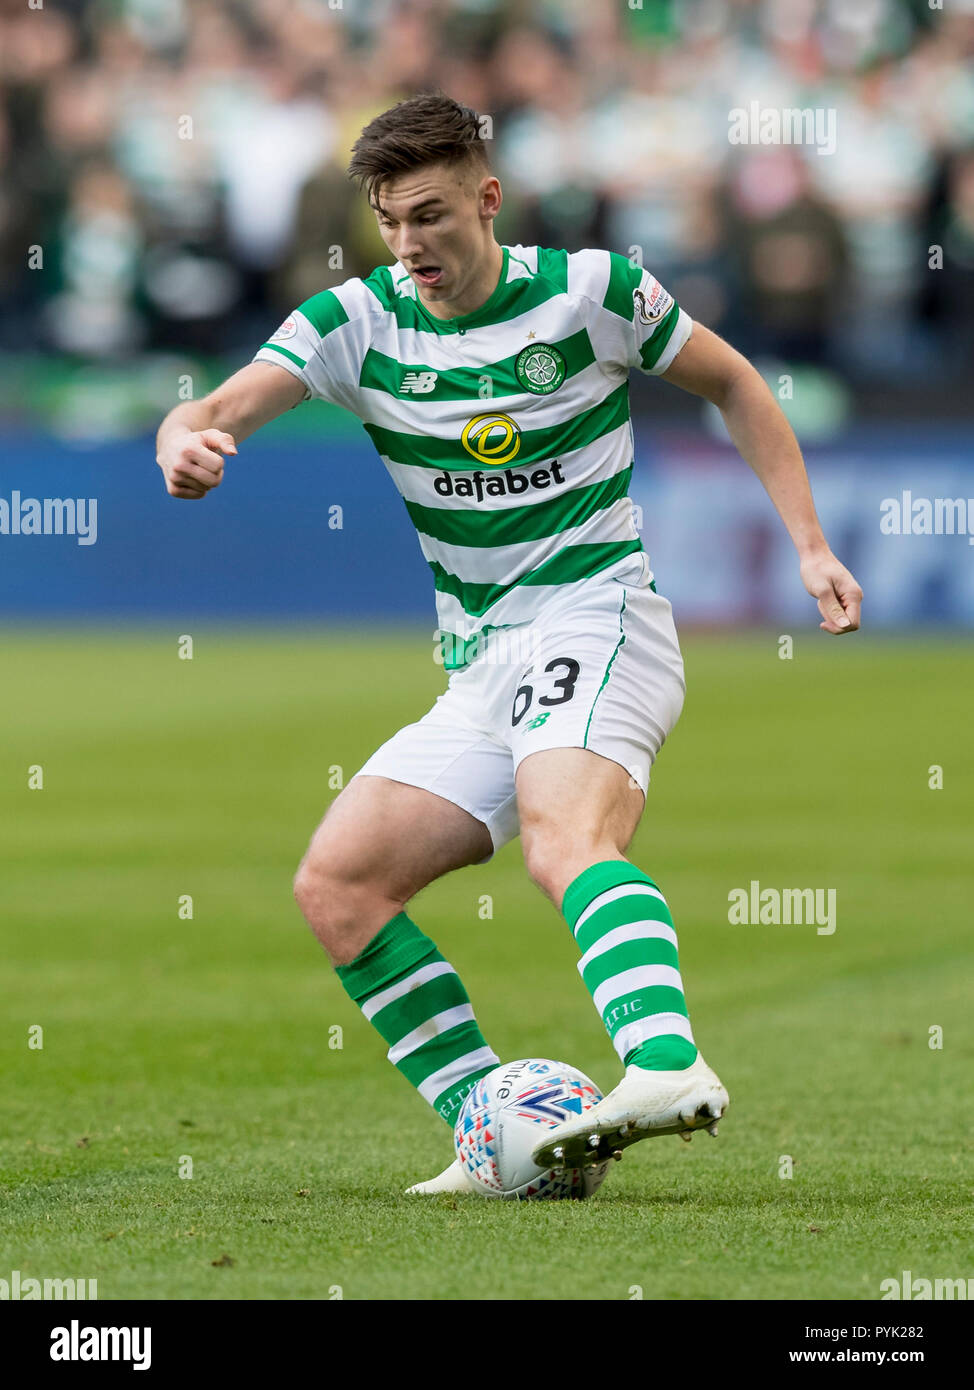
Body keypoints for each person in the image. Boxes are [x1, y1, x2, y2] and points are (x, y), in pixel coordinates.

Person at [155, 94, 862, 1194]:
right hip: (480, 663)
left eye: (430, 215)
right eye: (389, 220)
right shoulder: (355, 321)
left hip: (600, 613)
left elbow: (731, 381)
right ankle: (497, 1133)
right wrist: (187, 444)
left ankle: (664, 1060)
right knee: (337, 886)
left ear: (487, 199)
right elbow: (219, 404)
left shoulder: (591, 293)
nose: (408, 245)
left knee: (560, 839)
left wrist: (809, 546)